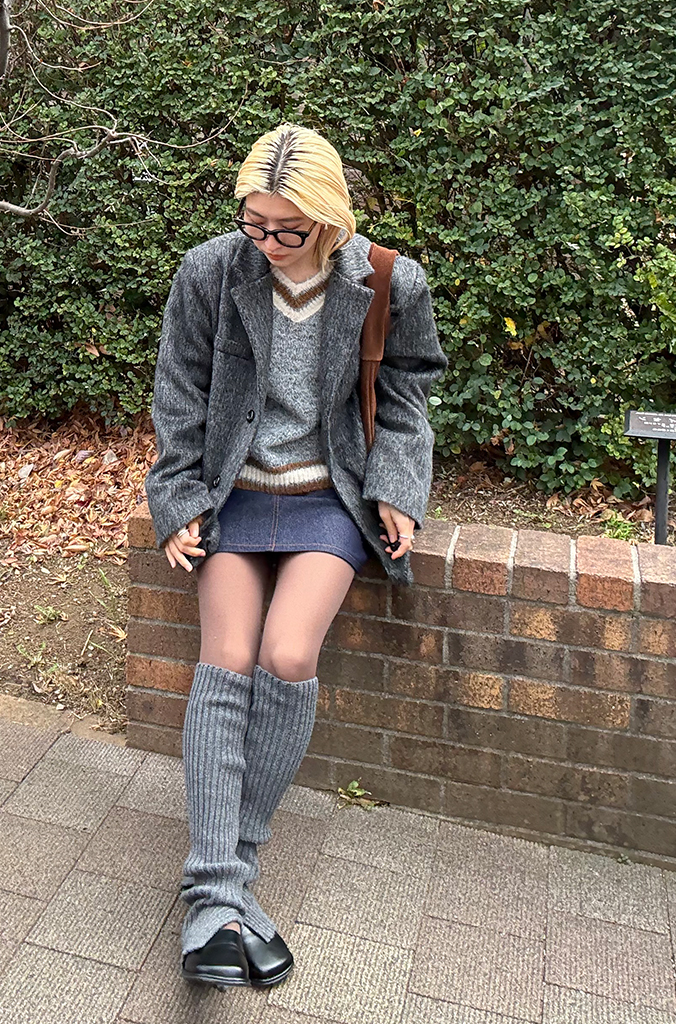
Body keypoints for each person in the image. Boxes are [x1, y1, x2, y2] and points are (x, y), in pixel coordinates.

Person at [144, 123, 447, 990]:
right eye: (254, 223)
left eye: (287, 229)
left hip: (327, 496)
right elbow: (179, 393)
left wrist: (397, 485)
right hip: (234, 493)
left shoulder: (387, 281)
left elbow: (408, 395)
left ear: (328, 220)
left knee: (285, 654)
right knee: (226, 657)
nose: (268, 243)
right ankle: (221, 896)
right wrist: (179, 500)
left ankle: (222, 882)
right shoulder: (211, 271)